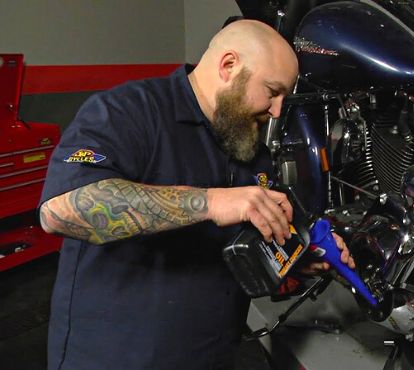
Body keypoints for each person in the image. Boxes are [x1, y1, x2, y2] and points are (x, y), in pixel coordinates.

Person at [38, 20, 354, 370]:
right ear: (229, 66)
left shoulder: (250, 150)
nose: (277, 111)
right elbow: (61, 210)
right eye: (272, 91)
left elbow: (236, 254)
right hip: (117, 358)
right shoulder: (127, 111)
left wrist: (294, 257)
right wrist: (212, 202)